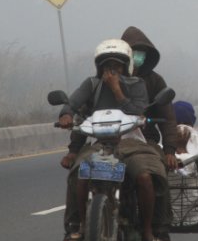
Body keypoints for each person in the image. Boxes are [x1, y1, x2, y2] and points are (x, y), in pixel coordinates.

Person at [58, 39, 165, 241]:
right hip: (100, 142)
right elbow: (73, 104)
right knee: (79, 175)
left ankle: (150, 230)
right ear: (99, 67)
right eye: (107, 65)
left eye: (117, 65)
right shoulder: (92, 84)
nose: (112, 70)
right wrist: (66, 115)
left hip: (132, 143)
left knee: (145, 176)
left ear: (126, 67)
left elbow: (137, 110)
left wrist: (117, 90)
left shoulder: (137, 84)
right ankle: (80, 225)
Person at [121, 26, 178, 241]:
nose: (138, 57)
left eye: (141, 53)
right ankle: (76, 226)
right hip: (109, 140)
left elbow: (168, 119)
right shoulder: (105, 79)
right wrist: (74, 148)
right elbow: (84, 112)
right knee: (80, 175)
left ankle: (157, 228)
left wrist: (170, 149)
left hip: (145, 142)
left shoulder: (154, 81)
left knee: (154, 176)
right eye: (134, 52)